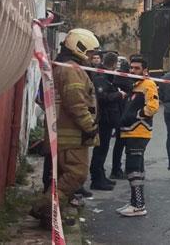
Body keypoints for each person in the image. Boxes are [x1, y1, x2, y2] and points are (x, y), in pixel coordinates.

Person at [31, 29, 101, 229]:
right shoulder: (71, 69)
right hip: (72, 136)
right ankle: (42, 207)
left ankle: (52, 218)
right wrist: (89, 126)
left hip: (59, 133)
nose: (90, 57)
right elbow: (76, 102)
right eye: (89, 53)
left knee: (60, 175)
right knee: (76, 174)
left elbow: (43, 99)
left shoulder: (59, 66)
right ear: (79, 47)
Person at [117, 56, 159, 217]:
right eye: (131, 68)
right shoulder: (135, 85)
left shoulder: (148, 85)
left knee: (133, 169)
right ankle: (135, 202)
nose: (133, 71)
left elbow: (153, 107)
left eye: (137, 68)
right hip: (130, 131)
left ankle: (139, 205)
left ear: (145, 70)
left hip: (138, 131)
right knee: (136, 169)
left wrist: (137, 115)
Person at [89, 52, 123, 191]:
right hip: (103, 118)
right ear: (114, 64)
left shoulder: (105, 76)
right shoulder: (101, 77)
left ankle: (101, 176)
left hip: (108, 118)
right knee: (100, 149)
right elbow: (102, 97)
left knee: (103, 148)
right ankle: (96, 179)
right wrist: (118, 94)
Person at [109, 59, 133, 179]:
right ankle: (117, 169)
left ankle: (117, 168)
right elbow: (130, 87)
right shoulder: (124, 79)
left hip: (119, 114)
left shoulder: (114, 78)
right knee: (123, 143)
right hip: (124, 113)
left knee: (120, 143)